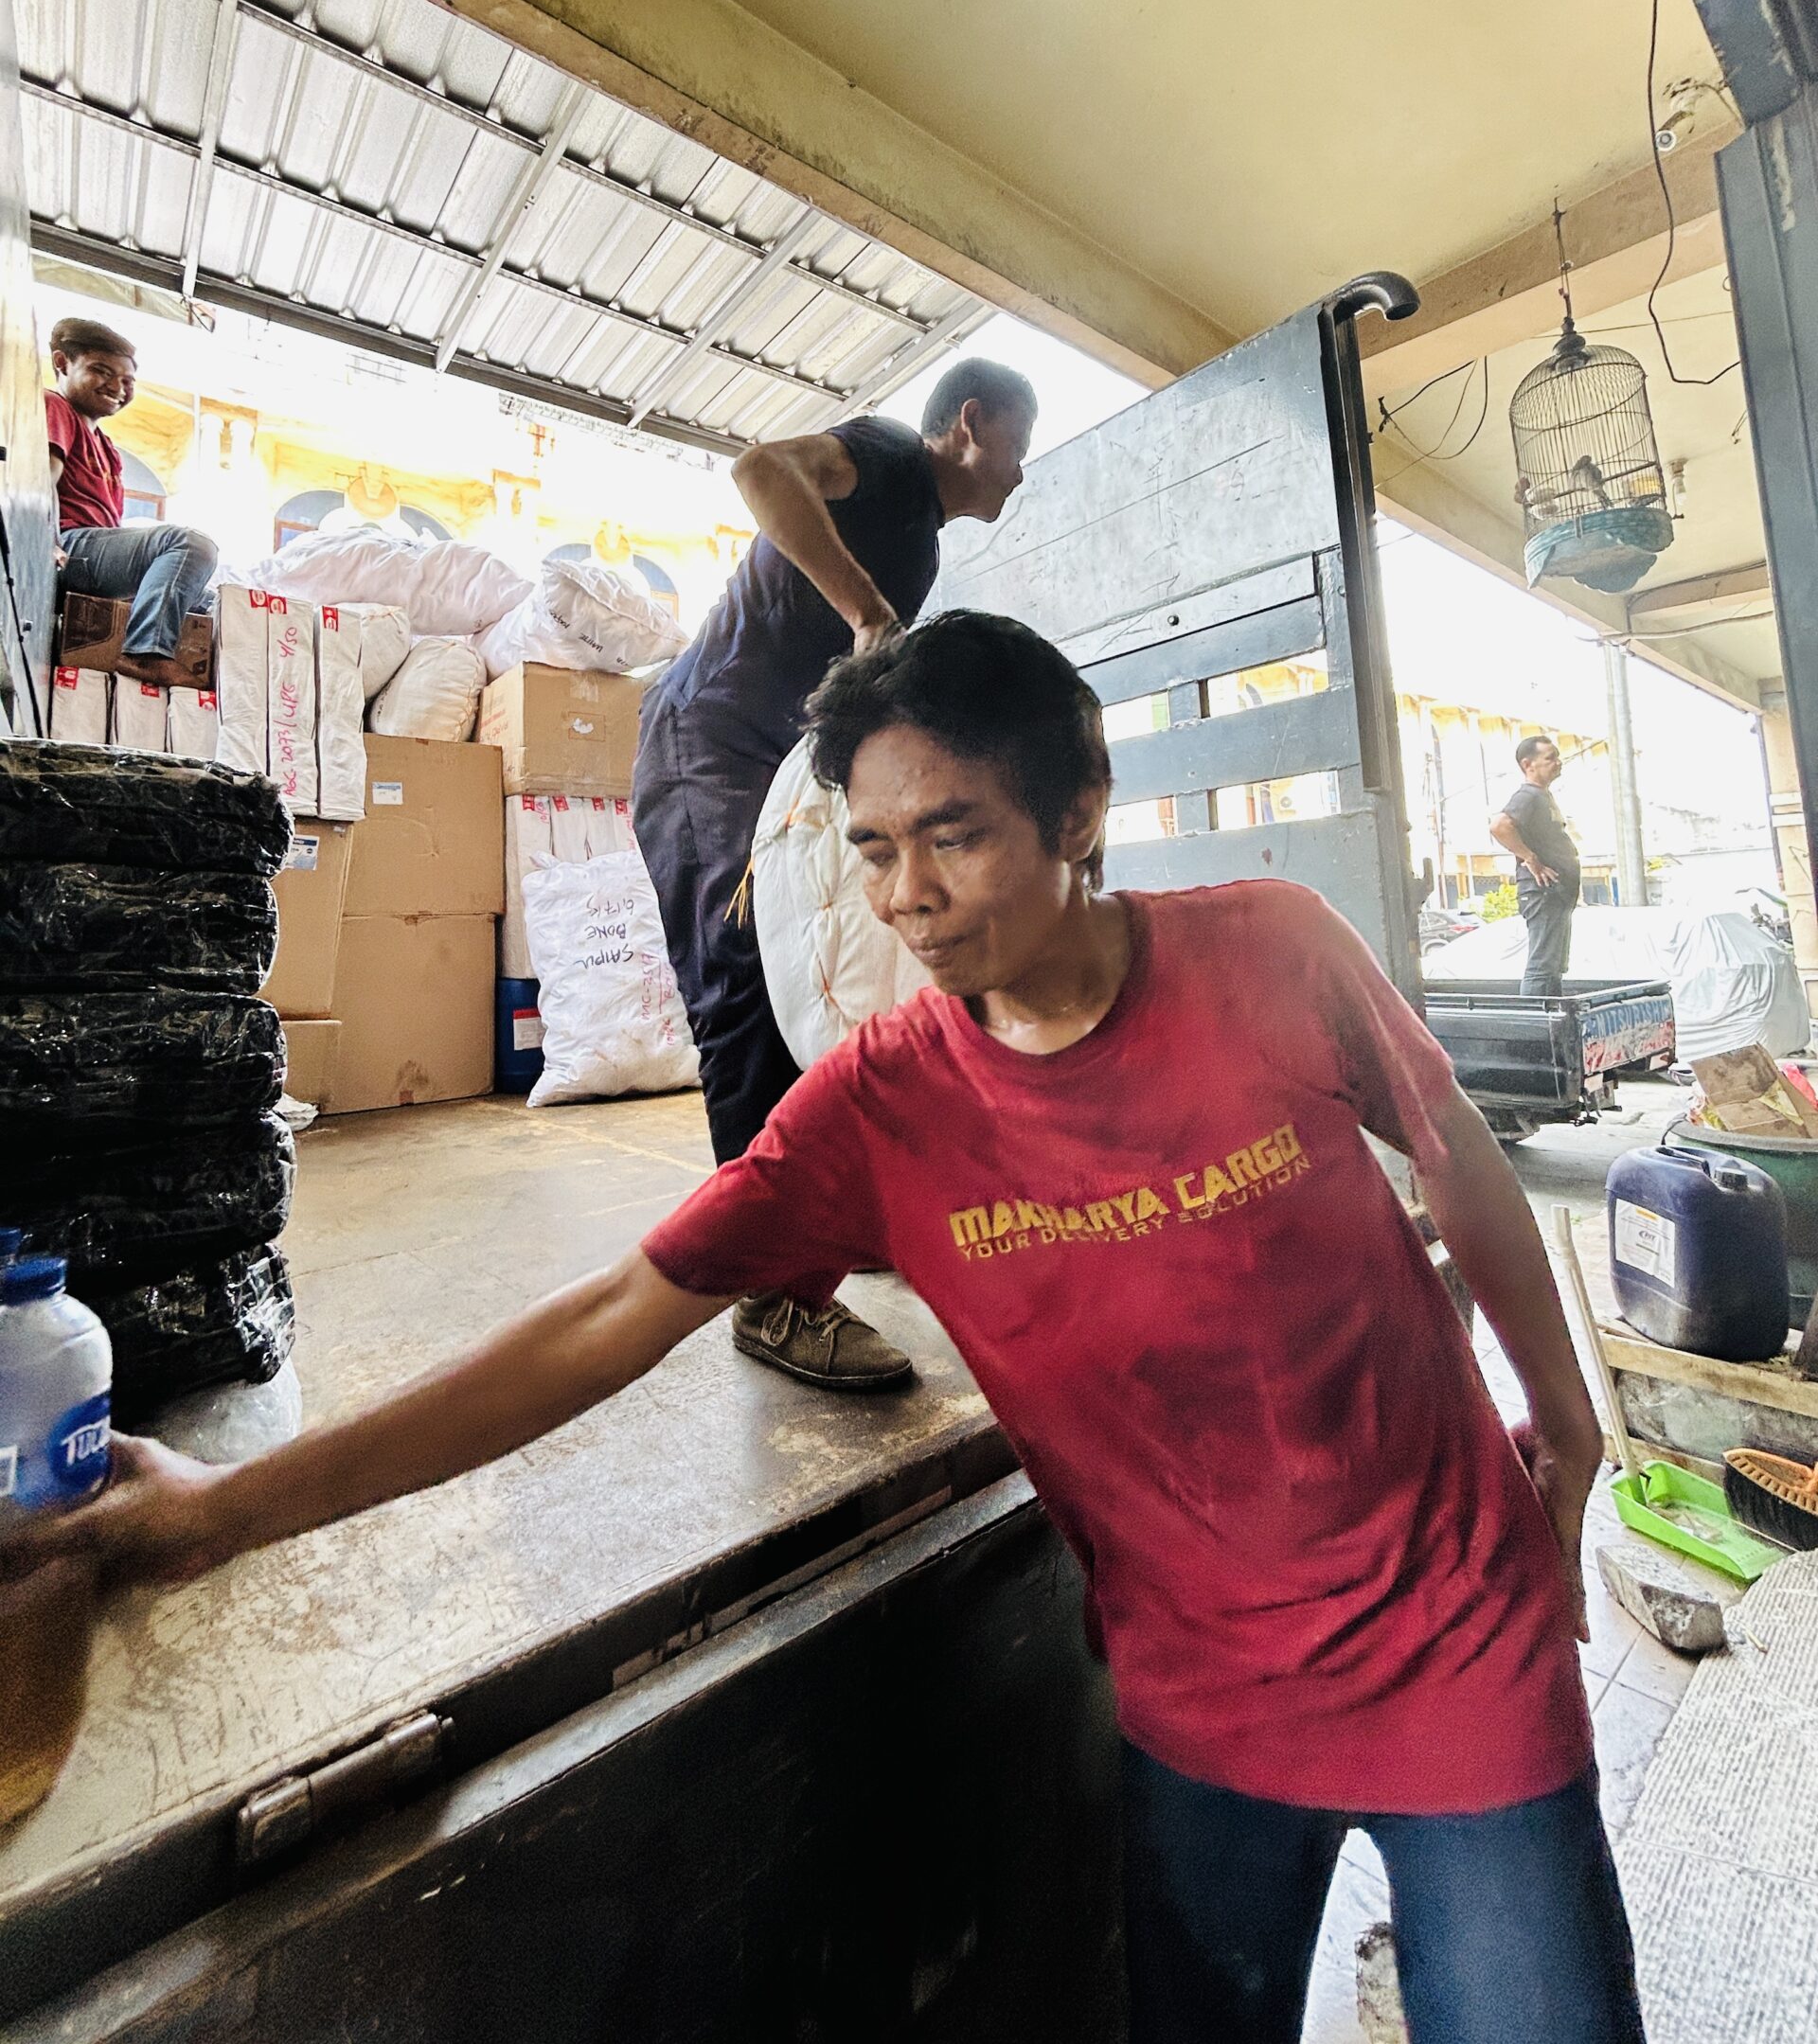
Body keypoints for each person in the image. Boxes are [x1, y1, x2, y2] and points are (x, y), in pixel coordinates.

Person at [7, 613, 1638, 2044]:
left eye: (956, 836)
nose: (910, 900)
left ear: (1080, 818)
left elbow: (1455, 1150)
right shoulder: (884, 1109)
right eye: (871, 851)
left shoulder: (1271, 949)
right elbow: (604, 1326)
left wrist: (1567, 1430)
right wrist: (224, 1514)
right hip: (1200, 1707)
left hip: (1465, 1652)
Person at [633, 357, 1036, 1389]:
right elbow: (762, 470)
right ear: (971, 424)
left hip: (770, 761)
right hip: (704, 742)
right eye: (1019, 449)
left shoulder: (925, 546)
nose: (1021, 475)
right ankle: (769, 1293)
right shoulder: (890, 457)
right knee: (744, 971)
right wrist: (864, 613)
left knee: (830, 967)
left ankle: (835, 1218)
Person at [45, 318, 217, 682]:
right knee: (191, 544)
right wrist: (42, 542)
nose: (117, 387)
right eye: (101, 371)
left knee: (209, 598)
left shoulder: (108, 449)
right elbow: (41, 482)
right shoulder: (55, 407)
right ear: (62, 364)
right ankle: (145, 652)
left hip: (92, 556)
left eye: (127, 381)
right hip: (68, 546)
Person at [1490, 736, 1582, 999]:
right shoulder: (1527, 796)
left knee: (1552, 967)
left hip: (1556, 893)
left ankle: (1550, 1026)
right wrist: (1531, 859)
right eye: (1550, 757)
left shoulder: (1542, 796)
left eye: (1557, 756)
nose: (1557, 762)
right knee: (1542, 967)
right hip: (1543, 892)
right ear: (1528, 764)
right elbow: (1499, 826)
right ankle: (1536, 1029)